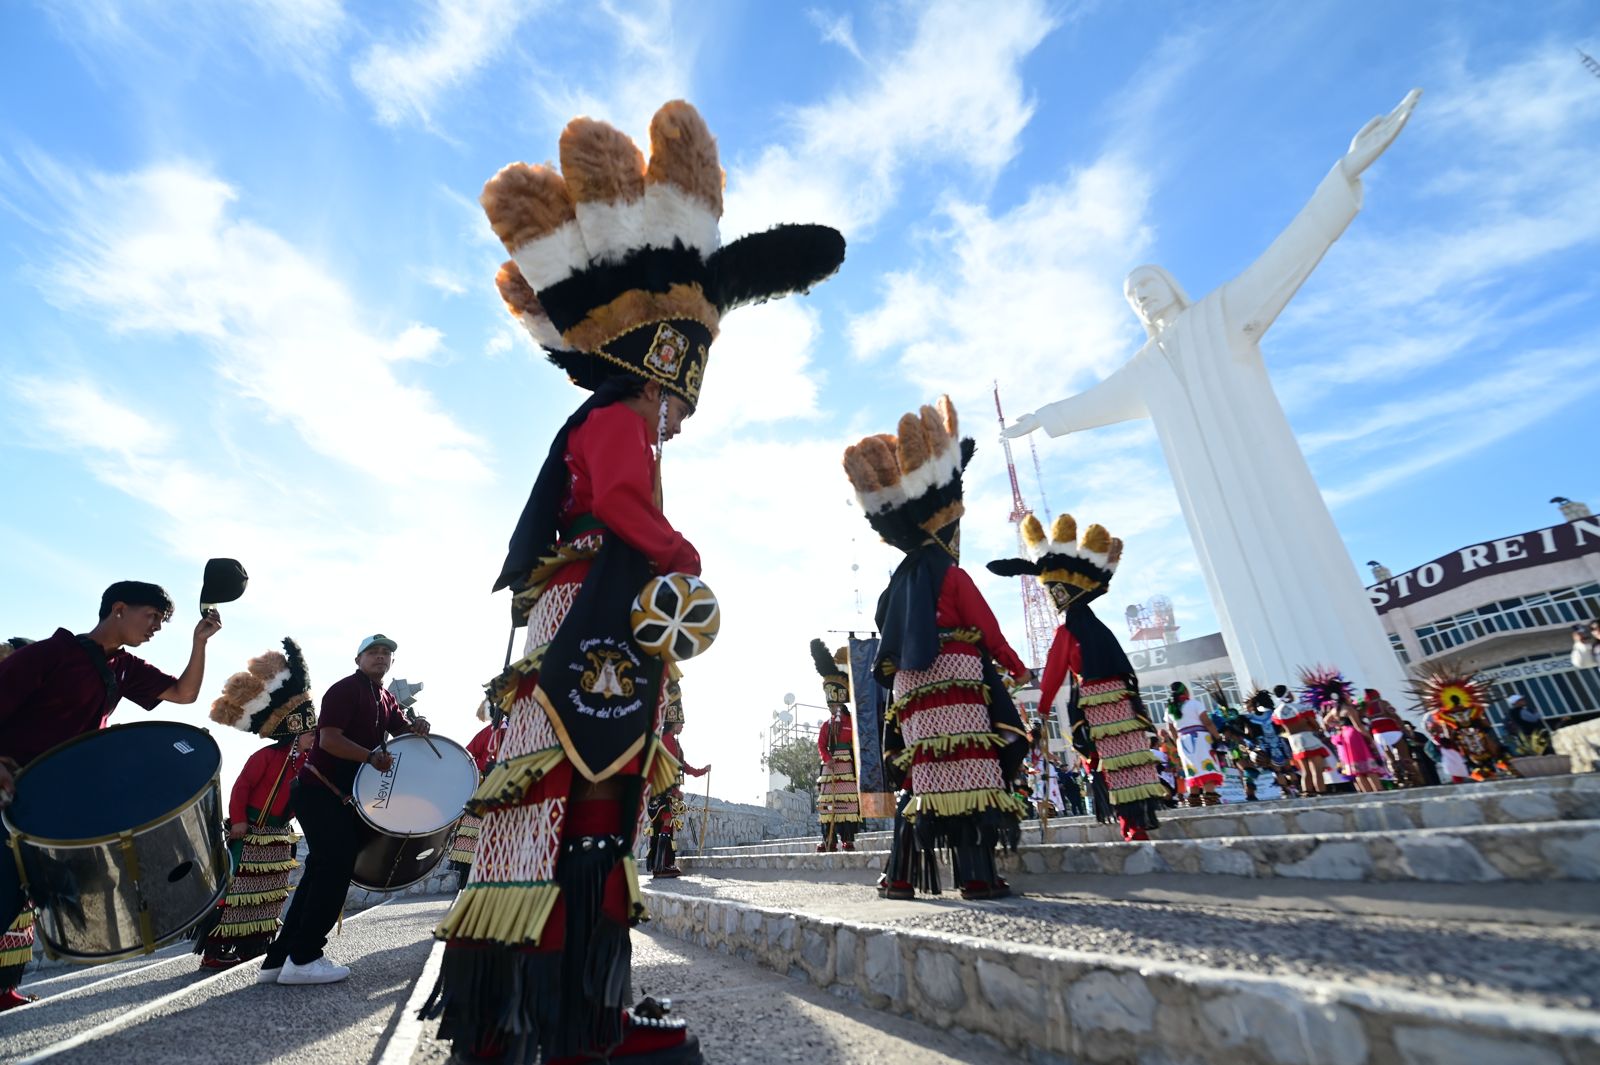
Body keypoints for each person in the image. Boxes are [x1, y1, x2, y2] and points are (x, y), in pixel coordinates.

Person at [423, 100, 844, 1065]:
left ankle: (534, 1012)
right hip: (597, 622)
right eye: (678, 398)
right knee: (591, 802)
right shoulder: (616, 421)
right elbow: (617, 499)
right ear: (658, 368)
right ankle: (576, 1024)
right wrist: (681, 551)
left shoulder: (605, 417)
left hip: (585, 613)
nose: (681, 418)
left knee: (571, 806)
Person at [0, 582, 221, 1007]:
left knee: (19, 894)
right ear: (118, 609)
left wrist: (199, 642)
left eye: (162, 621)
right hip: (12, 792)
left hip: (54, 802)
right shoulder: (50, 654)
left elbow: (183, 694)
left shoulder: (123, 667)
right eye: (152, 616)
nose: (157, 627)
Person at [846, 396, 1032, 901]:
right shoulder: (952, 574)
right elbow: (986, 629)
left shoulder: (896, 583)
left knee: (925, 780)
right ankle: (976, 876)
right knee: (971, 773)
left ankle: (900, 876)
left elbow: (887, 629)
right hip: (956, 688)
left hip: (913, 694)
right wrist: (1017, 669)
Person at [257, 634, 428, 986]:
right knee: (335, 868)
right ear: (358, 658)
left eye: (386, 653)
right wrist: (369, 757)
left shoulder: (384, 698)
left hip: (329, 797)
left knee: (318, 873)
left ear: (392, 662)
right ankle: (305, 958)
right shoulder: (345, 689)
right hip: (318, 791)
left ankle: (280, 960)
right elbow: (329, 739)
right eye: (373, 652)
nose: (381, 657)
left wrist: (419, 727)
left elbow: (404, 732)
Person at [990, 513, 1163, 841]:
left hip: (1097, 705)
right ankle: (1140, 818)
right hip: (1125, 701)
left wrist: (1042, 709)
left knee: (1106, 759)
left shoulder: (1067, 631)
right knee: (1131, 757)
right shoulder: (1101, 630)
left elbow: (1054, 673)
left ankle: (1130, 825)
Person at [193, 637, 319, 968]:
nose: (314, 738)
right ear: (295, 731)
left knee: (268, 893)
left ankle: (253, 946)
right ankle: (215, 951)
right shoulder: (265, 756)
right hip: (249, 831)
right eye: (310, 733)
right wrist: (237, 821)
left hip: (277, 835)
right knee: (237, 892)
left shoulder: (305, 764)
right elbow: (241, 788)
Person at [647, 683, 708, 879]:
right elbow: (667, 767)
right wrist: (673, 791)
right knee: (664, 823)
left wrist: (701, 772)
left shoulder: (673, 740)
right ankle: (660, 866)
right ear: (674, 721)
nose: (683, 726)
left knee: (667, 826)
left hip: (667, 792)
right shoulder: (665, 740)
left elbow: (683, 766)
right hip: (661, 791)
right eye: (681, 723)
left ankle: (664, 865)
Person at [449, 701, 509, 891]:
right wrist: (482, 771)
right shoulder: (487, 733)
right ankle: (463, 887)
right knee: (471, 842)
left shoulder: (527, 734)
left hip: (511, 796)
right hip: (483, 793)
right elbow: (467, 757)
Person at [811, 640, 865, 852]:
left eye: (836, 705)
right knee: (828, 805)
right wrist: (827, 759)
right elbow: (821, 744)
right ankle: (829, 839)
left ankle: (848, 839)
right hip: (830, 769)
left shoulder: (852, 723)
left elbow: (857, 743)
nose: (833, 708)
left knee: (848, 804)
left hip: (848, 770)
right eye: (831, 705)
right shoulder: (826, 725)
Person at [1272, 682, 1329, 796]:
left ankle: (1307, 792)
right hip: (1307, 737)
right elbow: (1313, 723)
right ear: (1288, 694)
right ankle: (1321, 793)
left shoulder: (1277, 712)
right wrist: (1319, 730)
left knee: (1305, 771)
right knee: (1316, 770)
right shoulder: (1301, 707)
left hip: (1294, 740)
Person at [1321, 692, 1384, 794]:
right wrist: (1369, 738)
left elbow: (1325, 722)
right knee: (1368, 768)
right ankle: (1378, 791)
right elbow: (1358, 726)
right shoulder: (1349, 709)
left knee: (1357, 770)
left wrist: (1339, 725)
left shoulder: (1334, 710)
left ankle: (1366, 793)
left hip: (1344, 735)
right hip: (1354, 735)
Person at [1360, 688, 1420, 787]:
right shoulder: (1383, 703)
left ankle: (1399, 779)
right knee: (1405, 756)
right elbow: (1394, 715)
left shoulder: (1365, 707)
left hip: (1378, 734)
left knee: (1390, 759)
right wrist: (1404, 729)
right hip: (1391, 730)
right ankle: (1415, 778)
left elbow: (1361, 717)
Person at [1401, 720, 1442, 787]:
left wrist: (1418, 744)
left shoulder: (1419, 735)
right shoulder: (1402, 738)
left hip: (1426, 757)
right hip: (1414, 760)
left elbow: (1429, 745)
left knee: (1432, 774)